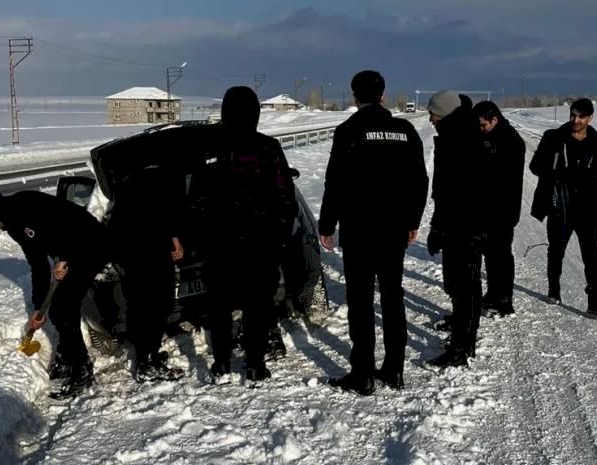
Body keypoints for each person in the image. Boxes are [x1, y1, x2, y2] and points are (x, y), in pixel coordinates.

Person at [319, 70, 428, 395]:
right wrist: (412, 221)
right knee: (393, 296)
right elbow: (419, 181)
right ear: (383, 95)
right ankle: (394, 369)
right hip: (393, 229)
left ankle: (363, 373)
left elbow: (335, 182)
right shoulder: (405, 131)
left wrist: (327, 225)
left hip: (359, 229)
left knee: (361, 300)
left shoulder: (348, 131)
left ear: (355, 97)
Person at [0, 186, 109, 398]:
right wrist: (38, 307)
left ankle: (82, 369)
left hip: (91, 244)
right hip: (73, 252)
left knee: (64, 309)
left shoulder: (27, 203)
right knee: (57, 310)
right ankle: (67, 357)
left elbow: (66, 223)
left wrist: (65, 257)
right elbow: (38, 265)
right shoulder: (14, 226)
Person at [205, 86, 299, 383]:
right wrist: (282, 235)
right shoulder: (268, 147)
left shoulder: (210, 148)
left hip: (220, 240)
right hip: (262, 240)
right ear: (255, 113)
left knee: (219, 304)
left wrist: (198, 234)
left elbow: (196, 199)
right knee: (258, 303)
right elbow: (286, 195)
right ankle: (256, 363)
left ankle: (222, 363)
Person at [529, 98, 597, 319]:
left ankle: (595, 302)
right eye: (573, 115)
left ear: (590, 118)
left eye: (581, 116)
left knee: (593, 256)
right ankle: (554, 290)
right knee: (556, 251)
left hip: (588, 208)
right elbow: (535, 167)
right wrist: (555, 172)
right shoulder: (553, 137)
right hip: (560, 206)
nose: (576, 120)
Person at [425, 90, 487, 368]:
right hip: (459, 224)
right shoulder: (459, 133)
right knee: (463, 287)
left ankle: (462, 347)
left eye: (433, 114)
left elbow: (456, 191)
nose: (430, 119)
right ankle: (462, 339)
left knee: (466, 288)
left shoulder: (460, 138)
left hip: (465, 226)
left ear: (445, 112)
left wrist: (443, 227)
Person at [106, 166, 186, 382]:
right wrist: (175, 239)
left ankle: (147, 356)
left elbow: (114, 227)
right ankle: (147, 361)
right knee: (157, 305)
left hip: (133, 254)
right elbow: (167, 214)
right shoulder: (160, 182)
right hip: (149, 252)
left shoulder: (125, 186)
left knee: (143, 306)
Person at [472, 100, 525, 316]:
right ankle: (493, 294)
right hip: (486, 208)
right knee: (491, 255)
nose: (480, 129)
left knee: (501, 256)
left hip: (503, 209)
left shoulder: (511, 141)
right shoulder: (486, 136)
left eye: (483, 125)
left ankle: (504, 299)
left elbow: (504, 181)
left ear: (495, 119)